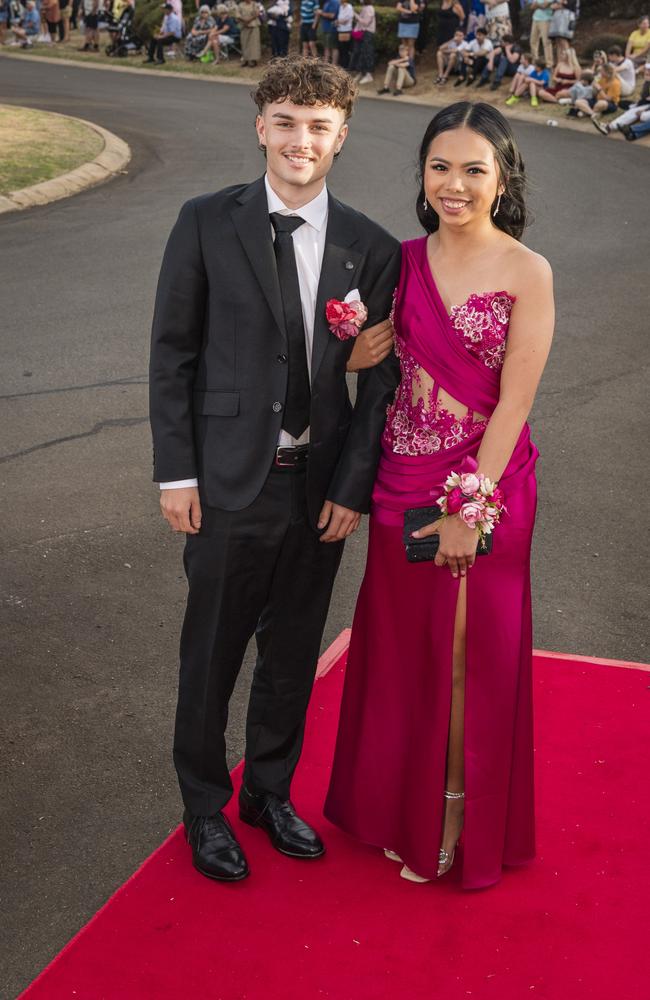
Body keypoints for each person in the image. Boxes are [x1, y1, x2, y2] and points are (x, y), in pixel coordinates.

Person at [149, 56, 400, 884]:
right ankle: (202, 805)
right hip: (226, 482)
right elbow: (173, 354)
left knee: (292, 652)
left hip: (317, 487)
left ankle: (267, 791)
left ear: (342, 138)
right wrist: (175, 474)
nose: (301, 140)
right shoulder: (204, 221)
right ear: (262, 126)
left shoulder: (371, 247)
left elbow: (381, 386)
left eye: (318, 127)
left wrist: (352, 488)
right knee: (212, 651)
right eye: (286, 122)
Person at [325, 100, 554, 889]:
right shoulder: (400, 261)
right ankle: (400, 809)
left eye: (474, 170)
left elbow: (515, 404)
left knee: (464, 660)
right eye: (440, 167)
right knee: (403, 657)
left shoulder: (529, 272)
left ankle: (455, 815)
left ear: (502, 178)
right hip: (401, 481)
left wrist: (469, 506)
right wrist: (351, 359)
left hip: (484, 488)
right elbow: (378, 367)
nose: (454, 185)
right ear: (422, 174)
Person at [592, 62, 650, 136]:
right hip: (646, 104)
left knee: (643, 116)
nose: (647, 72)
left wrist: (644, 110)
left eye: (649, 70)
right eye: (647, 70)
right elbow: (644, 99)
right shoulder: (647, 83)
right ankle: (608, 127)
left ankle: (632, 130)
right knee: (631, 111)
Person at [349, 0, 375, 84]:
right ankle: (361, 73)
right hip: (362, 33)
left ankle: (368, 74)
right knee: (360, 53)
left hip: (367, 33)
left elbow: (366, 22)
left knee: (367, 53)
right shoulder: (365, 8)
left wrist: (355, 15)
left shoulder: (370, 8)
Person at [529, 0, 553, 69]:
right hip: (535, 19)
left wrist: (537, 4)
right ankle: (535, 62)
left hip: (545, 19)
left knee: (546, 42)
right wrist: (539, 5)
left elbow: (544, 6)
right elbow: (532, 7)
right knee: (533, 41)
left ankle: (549, 64)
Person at [236, 0, 261, 66]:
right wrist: (244, 20)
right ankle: (245, 60)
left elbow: (257, 13)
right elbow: (237, 14)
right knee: (244, 43)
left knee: (253, 44)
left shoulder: (254, 4)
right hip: (244, 26)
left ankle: (252, 60)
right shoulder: (240, 5)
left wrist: (249, 19)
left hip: (253, 26)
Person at [334, 0, 353, 68]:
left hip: (346, 31)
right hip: (340, 30)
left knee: (345, 50)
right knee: (341, 49)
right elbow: (340, 19)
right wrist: (338, 22)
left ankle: (346, 67)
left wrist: (338, 22)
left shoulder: (349, 7)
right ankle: (342, 66)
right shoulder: (341, 7)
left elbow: (346, 20)